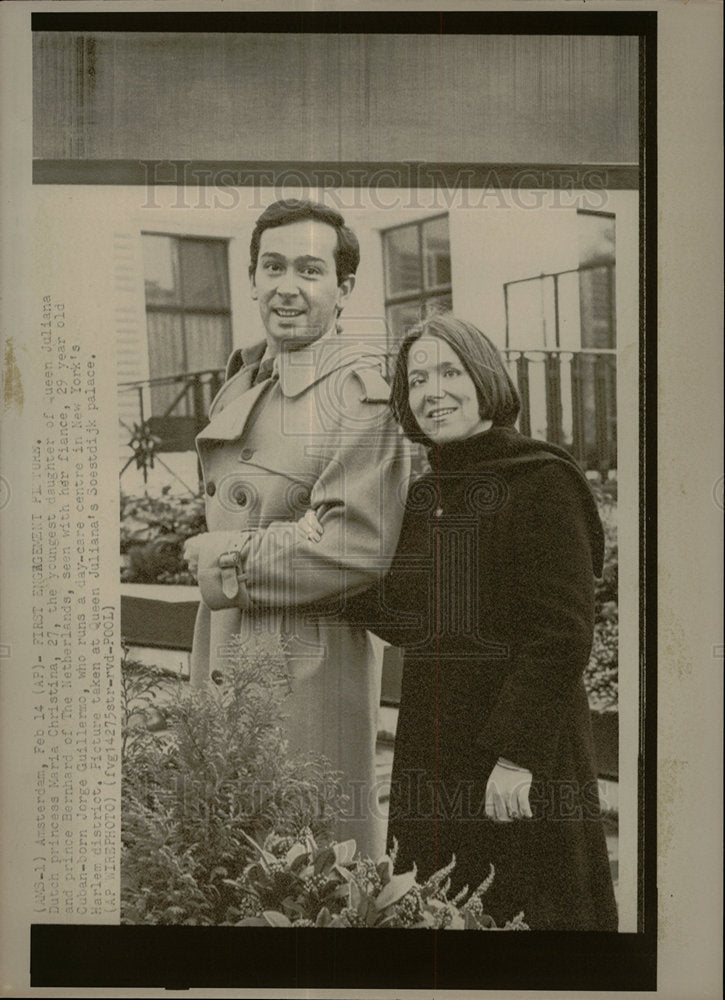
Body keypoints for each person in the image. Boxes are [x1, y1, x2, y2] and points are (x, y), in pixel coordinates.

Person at [299, 313, 618, 930]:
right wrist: (323, 552)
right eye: (417, 379)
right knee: (445, 918)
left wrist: (516, 758)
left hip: (521, 752)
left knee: (533, 919)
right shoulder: (429, 491)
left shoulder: (542, 481)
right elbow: (405, 615)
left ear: (484, 377)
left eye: (449, 371)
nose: (432, 391)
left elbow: (562, 634)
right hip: (436, 745)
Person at [184, 199, 410, 858]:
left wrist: (226, 557)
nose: (287, 286)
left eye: (309, 270)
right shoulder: (245, 381)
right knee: (226, 847)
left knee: (308, 857)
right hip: (223, 643)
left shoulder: (361, 396)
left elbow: (355, 544)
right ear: (251, 278)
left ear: (342, 289)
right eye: (272, 266)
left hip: (307, 658)